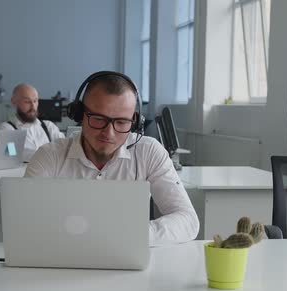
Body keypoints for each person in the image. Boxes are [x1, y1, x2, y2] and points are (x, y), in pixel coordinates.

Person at [25, 71, 199, 245]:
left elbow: (187, 220)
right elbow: (25, 221)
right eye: (99, 119)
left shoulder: (149, 152)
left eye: (122, 122)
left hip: (129, 259)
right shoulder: (49, 156)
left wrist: (136, 234)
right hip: (64, 258)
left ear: (135, 122)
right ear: (79, 115)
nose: (109, 133)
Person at [0, 84, 65, 161]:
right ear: (14, 102)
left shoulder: (49, 126)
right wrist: (51, 154)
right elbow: (12, 155)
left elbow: (64, 148)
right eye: (27, 101)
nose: (33, 106)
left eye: (35, 101)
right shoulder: (7, 128)